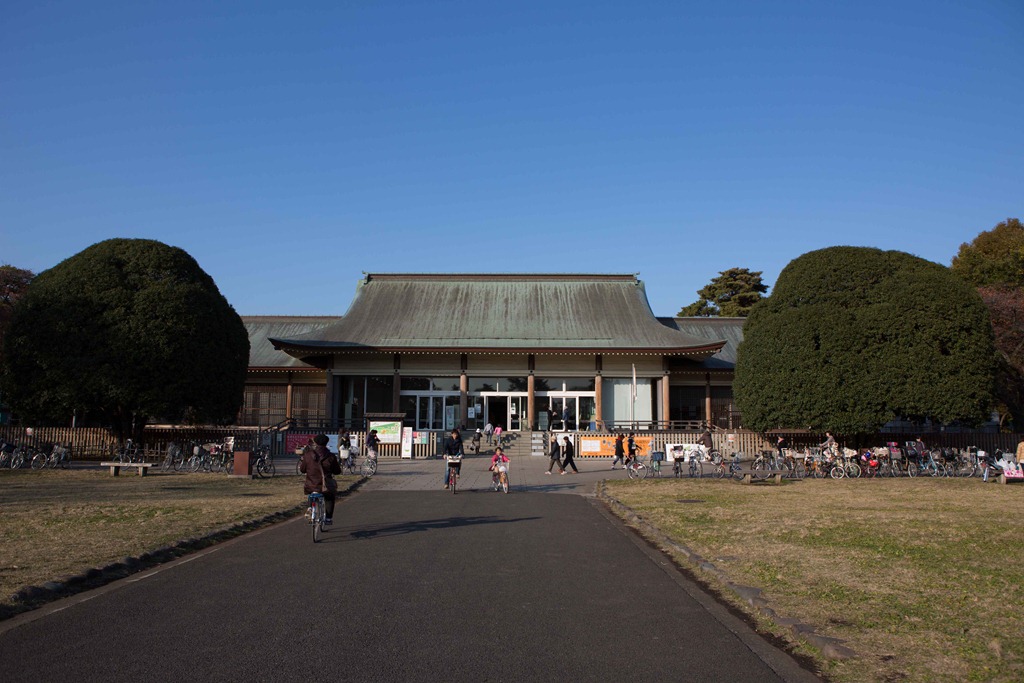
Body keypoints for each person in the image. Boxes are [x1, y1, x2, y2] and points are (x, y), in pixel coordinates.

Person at [300, 434, 341, 525]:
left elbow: (302, 470)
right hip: (325, 486)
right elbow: (337, 471)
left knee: (312, 493)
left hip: (311, 484)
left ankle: (310, 508)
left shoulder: (308, 455)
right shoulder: (331, 456)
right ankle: (328, 518)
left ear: (315, 442)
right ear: (327, 443)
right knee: (330, 498)